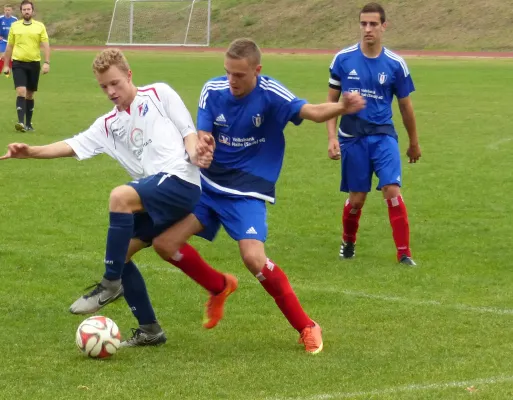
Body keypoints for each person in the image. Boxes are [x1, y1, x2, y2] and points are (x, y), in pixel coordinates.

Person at [108, 37, 364, 354]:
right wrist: (203, 145)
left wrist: (341, 107)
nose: (232, 81)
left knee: (253, 257)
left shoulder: (271, 94)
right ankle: (219, 286)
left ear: (256, 70)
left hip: (248, 190)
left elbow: (310, 111)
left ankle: (307, 326)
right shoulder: (213, 91)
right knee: (165, 243)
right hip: (207, 187)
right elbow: (202, 132)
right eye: (228, 72)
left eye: (240, 75)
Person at [0, 48, 215, 347]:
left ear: (129, 75)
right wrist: (31, 152)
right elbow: (73, 144)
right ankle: (150, 329)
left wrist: (195, 152)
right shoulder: (108, 125)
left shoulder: (158, 94)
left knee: (119, 197)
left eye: (115, 83)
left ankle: (110, 284)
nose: (111, 91)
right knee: (121, 252)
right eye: (104, 87)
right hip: (155, 191)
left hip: (181, 182)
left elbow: (187, 131)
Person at [326, 2, 421, 266]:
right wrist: (332, 137)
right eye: (363, 24)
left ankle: (404, 253)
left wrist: (414, 143)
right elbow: (331, 103)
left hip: (383, 136)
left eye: (373, 24)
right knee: (357, 200)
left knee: (392, 189)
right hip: (352, 137)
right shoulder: (342, 60)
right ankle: (348, 241)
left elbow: (405, 107)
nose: (367, 29)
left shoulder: (395, 64)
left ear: (383, 27)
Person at [2, 0, 50, 132]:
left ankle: (28, 124)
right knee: (21, 91)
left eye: (29, 9)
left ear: (32, 11)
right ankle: (20, 123)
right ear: (21, 11)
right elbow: (10, 46)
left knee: (29, 94)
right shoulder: (15, 26)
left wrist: (46, 62)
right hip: (18, 63)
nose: (27, 11)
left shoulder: (39, 26)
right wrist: (6, 65)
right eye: (24, 9)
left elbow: (45, 45)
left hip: (34, 63)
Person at [0, 4, 17, 74]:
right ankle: (3, 69)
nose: (7, 11)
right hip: (3, 40)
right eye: (6, 10)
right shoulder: (0, 18)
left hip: (12, 40)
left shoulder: (15, 19)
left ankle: (10, 70)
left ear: (11, 11)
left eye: (9, 10)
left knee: (13, 56)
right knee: (2, 55)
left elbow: (17, 30)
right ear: (4, 10)